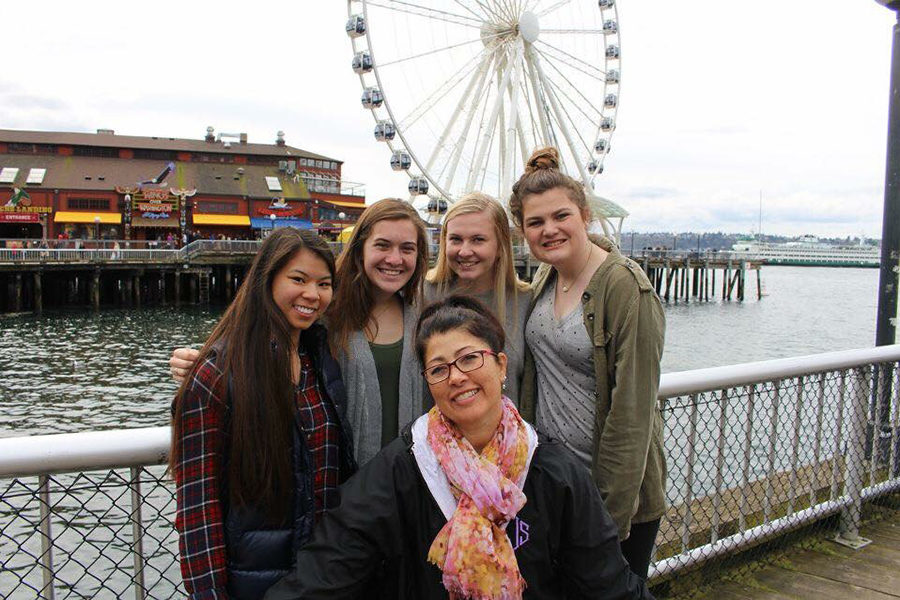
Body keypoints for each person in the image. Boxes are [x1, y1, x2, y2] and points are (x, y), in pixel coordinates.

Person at [264, 296, 654, 600]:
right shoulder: (403, 470)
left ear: (501, 366)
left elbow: (606, 582)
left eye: (470, 358)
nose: (457, 377)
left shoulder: (553, 472)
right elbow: (331, 564)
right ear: (428, 383)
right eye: (439, 368)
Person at [169, 228, 357, 600]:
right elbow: (197, 507)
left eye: (323, 284)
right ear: (266, 279)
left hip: (321, 575)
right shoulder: (217, 374)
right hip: (253, 583)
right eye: (298, 279)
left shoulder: (319, 359)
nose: (312, 295)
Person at [169, 199, 430, 465]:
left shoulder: (424, 319)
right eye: (382, 245)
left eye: (407, 249)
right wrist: (204, 363)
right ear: (360, 247)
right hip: (339, 485)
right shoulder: (322, 313)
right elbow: (259, 338)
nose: (395, 259)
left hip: (410, 482)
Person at [510, 147, 667, 580]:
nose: (550, 230)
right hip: (554, 486)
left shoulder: (626, 288)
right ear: (523, 232)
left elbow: (632, 413)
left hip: (612, 499)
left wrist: (608, 519)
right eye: (535, 222)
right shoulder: (547, 277)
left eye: (561, 216)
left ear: (585, 215)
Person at [425, 191, 531, 404]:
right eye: (456, 239)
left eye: (478, 240)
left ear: (501, 246)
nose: (464, 251)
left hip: (508, 434)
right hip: (435, 433)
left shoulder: (526, 302)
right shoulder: (424, 295)